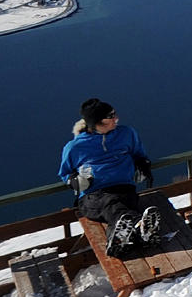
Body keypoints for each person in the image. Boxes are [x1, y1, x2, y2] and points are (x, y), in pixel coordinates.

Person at [58, 98, 162, 255]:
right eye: (110, 118)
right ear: (95, 123)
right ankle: (139, 227)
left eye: (115, 115)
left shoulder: (126, 134)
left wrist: (142, 164)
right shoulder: (75, 147)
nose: (116, 120)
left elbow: (139, 154)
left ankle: (123, 239)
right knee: (112, 205)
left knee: (120, 206)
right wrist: (75, 181)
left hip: (124, 189)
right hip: (93, 196)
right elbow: (65, 173)